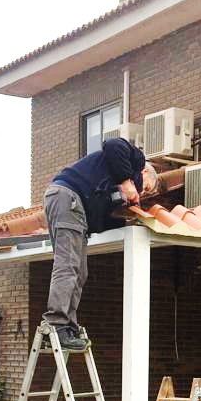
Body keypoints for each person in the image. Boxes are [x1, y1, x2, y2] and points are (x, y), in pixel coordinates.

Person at [42, 138, 158, 350]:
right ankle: (56, 324)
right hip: (68, 197)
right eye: (146, 187)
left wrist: (125, 221)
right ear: (144, 172)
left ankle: (68, 326)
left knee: (80, 271)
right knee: (68, 265)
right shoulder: (136, 160)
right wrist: (127, 182)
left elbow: (97, 221)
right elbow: (113, 144)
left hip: (74, 205)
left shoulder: (107, 186)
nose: (142, 193)